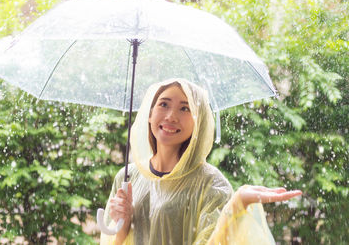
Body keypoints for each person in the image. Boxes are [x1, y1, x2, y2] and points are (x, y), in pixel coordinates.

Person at [100, 78, 302, 245]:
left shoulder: (211, 184)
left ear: (199, 122)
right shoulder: (127, 177)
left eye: (185, 109)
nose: (171, 116)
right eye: (163, 104)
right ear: (150, 114)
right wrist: (122, 227)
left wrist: (238, 205)